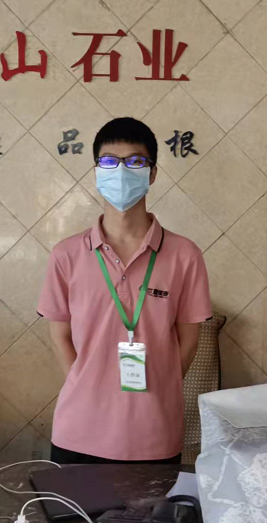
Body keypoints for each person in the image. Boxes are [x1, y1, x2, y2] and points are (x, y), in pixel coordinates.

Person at [38, 117, 212, 465]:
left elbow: (189, 341)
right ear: (96, 172)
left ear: (152, 173)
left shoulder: (184, 255)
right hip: (78, 431)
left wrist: (159, 387)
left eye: (134, 161)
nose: (120, 171)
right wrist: (86, 386)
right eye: (109, 162)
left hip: (154, 434)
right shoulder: (66, 254)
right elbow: (60, 337)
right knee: (72, 506)